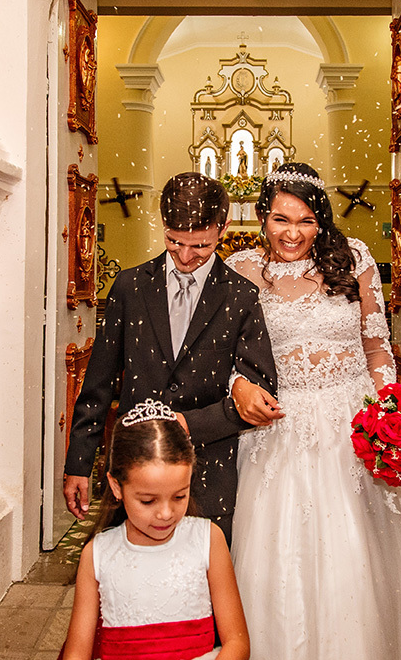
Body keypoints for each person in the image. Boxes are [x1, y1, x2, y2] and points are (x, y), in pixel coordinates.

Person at [223, 163, 401, 660]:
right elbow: (223, 355)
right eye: (280, 219)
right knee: (278, 551)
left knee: (353, 551)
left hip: (349, 423)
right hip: (278, 424)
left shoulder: (354, 258)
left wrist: (391, 414)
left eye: (306, 221)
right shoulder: (240, 268)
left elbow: (377, 347)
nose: (292, 233)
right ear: (262, 216)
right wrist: (238, 386)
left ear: (322, 220)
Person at [64, 172, 278, 543]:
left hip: (208, 474)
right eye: (174, 242)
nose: (185, 257)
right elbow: (98, 384)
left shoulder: (241, 296)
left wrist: (188, 424)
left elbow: (261, 395)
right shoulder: (130, 287)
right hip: (135, 470)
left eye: (200, 246)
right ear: (163, 225)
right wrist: (79, 463)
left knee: (204, 575)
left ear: (223, 227)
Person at [62, 400, 249, 660]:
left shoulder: (208, 539)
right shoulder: (98, 554)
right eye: (148, 501)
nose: (165, 513)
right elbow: (75, 658)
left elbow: (237, 642)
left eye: (179, 496)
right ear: (116, 486)